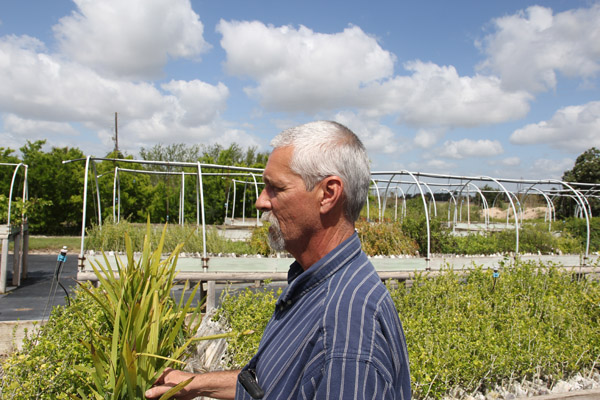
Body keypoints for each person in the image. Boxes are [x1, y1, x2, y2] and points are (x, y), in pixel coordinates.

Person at [146, 120, 411, 400]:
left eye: (276, 188)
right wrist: (197, 384)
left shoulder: (345, 326)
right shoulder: (315, 284)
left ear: (329, 194)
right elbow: (277, 385)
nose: (261, 201)